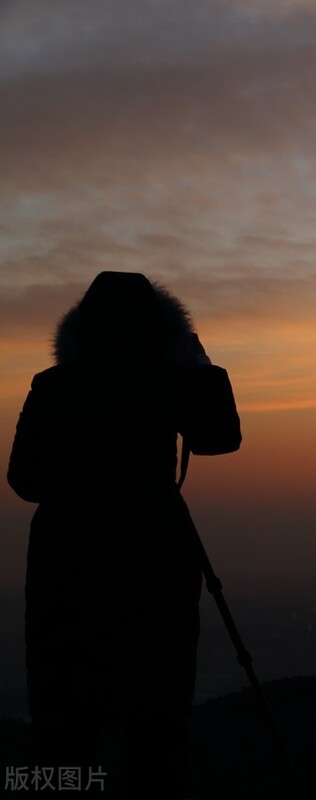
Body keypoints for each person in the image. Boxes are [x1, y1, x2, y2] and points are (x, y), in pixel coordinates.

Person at [7, 271, 241, 798]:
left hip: (64, 567)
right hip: (155, 562)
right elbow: (220, 437)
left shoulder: (54, 387)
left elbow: (24, 480)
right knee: (156, 725)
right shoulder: (165, 383)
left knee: (63, 726)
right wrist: (196, 366)